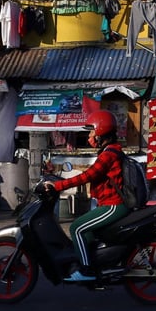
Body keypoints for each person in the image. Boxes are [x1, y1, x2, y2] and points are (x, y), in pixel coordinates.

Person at [41, 111, 128, 282]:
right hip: (108, 203)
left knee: (76, 228)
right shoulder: (111, 151)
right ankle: (94, 262)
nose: (89, 136)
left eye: (91, 132)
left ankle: (86, 271)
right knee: (87, 233)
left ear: (100, 131)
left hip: (113, 206)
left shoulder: (108, 155)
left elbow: (87, 176)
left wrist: (58, 186)